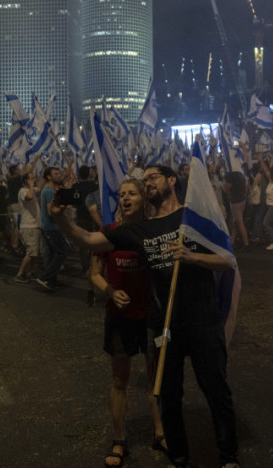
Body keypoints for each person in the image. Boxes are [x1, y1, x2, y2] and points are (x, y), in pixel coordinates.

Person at [52, 164, 239, 468]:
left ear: (171, 180)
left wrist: (192, 257)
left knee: (216, 393)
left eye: (152, 177)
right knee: (169, 397)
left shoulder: (193, 218)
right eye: (145, 180)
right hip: (166, 327)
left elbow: (228, 260)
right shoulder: (140, 230)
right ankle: (180, 459)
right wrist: (60, 218)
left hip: (203, 322)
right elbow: (87, 241)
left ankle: (229, 458)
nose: (147, 182)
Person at [89, 178, 166, 467]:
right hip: (119, 318)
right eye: (122, 194)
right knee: (120, 379)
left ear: (143, 199)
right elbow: (95, 274)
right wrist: (109, 290)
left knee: (155, 378)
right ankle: (119, 440)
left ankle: (161, 433)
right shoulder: (108, 233)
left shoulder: (153, 231)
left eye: (132, 193)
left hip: (150, 317)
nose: (125, 198)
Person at [35, 166, 70, 290]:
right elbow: (51, 212)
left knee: (53, 254)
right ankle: (45, 277)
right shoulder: (49, 191)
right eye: (56, 173)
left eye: (59, 173)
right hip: (51, 227)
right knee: (63, 251)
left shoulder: (50, 190)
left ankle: (51, 281)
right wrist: (61, 208)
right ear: (49, 176)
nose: (59, 175)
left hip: (49, 226)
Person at [14, 170, 40, 282]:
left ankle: (30, 272)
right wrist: (31, 185)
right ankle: (19, 274)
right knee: (31, 252)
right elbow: (29, 197)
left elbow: (41, 188)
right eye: (31, 178)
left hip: (34, 225)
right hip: (28, 226)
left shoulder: (32, 189)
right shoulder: (23, 191)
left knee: (34, 252)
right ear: (26, 181)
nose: (34, 180)